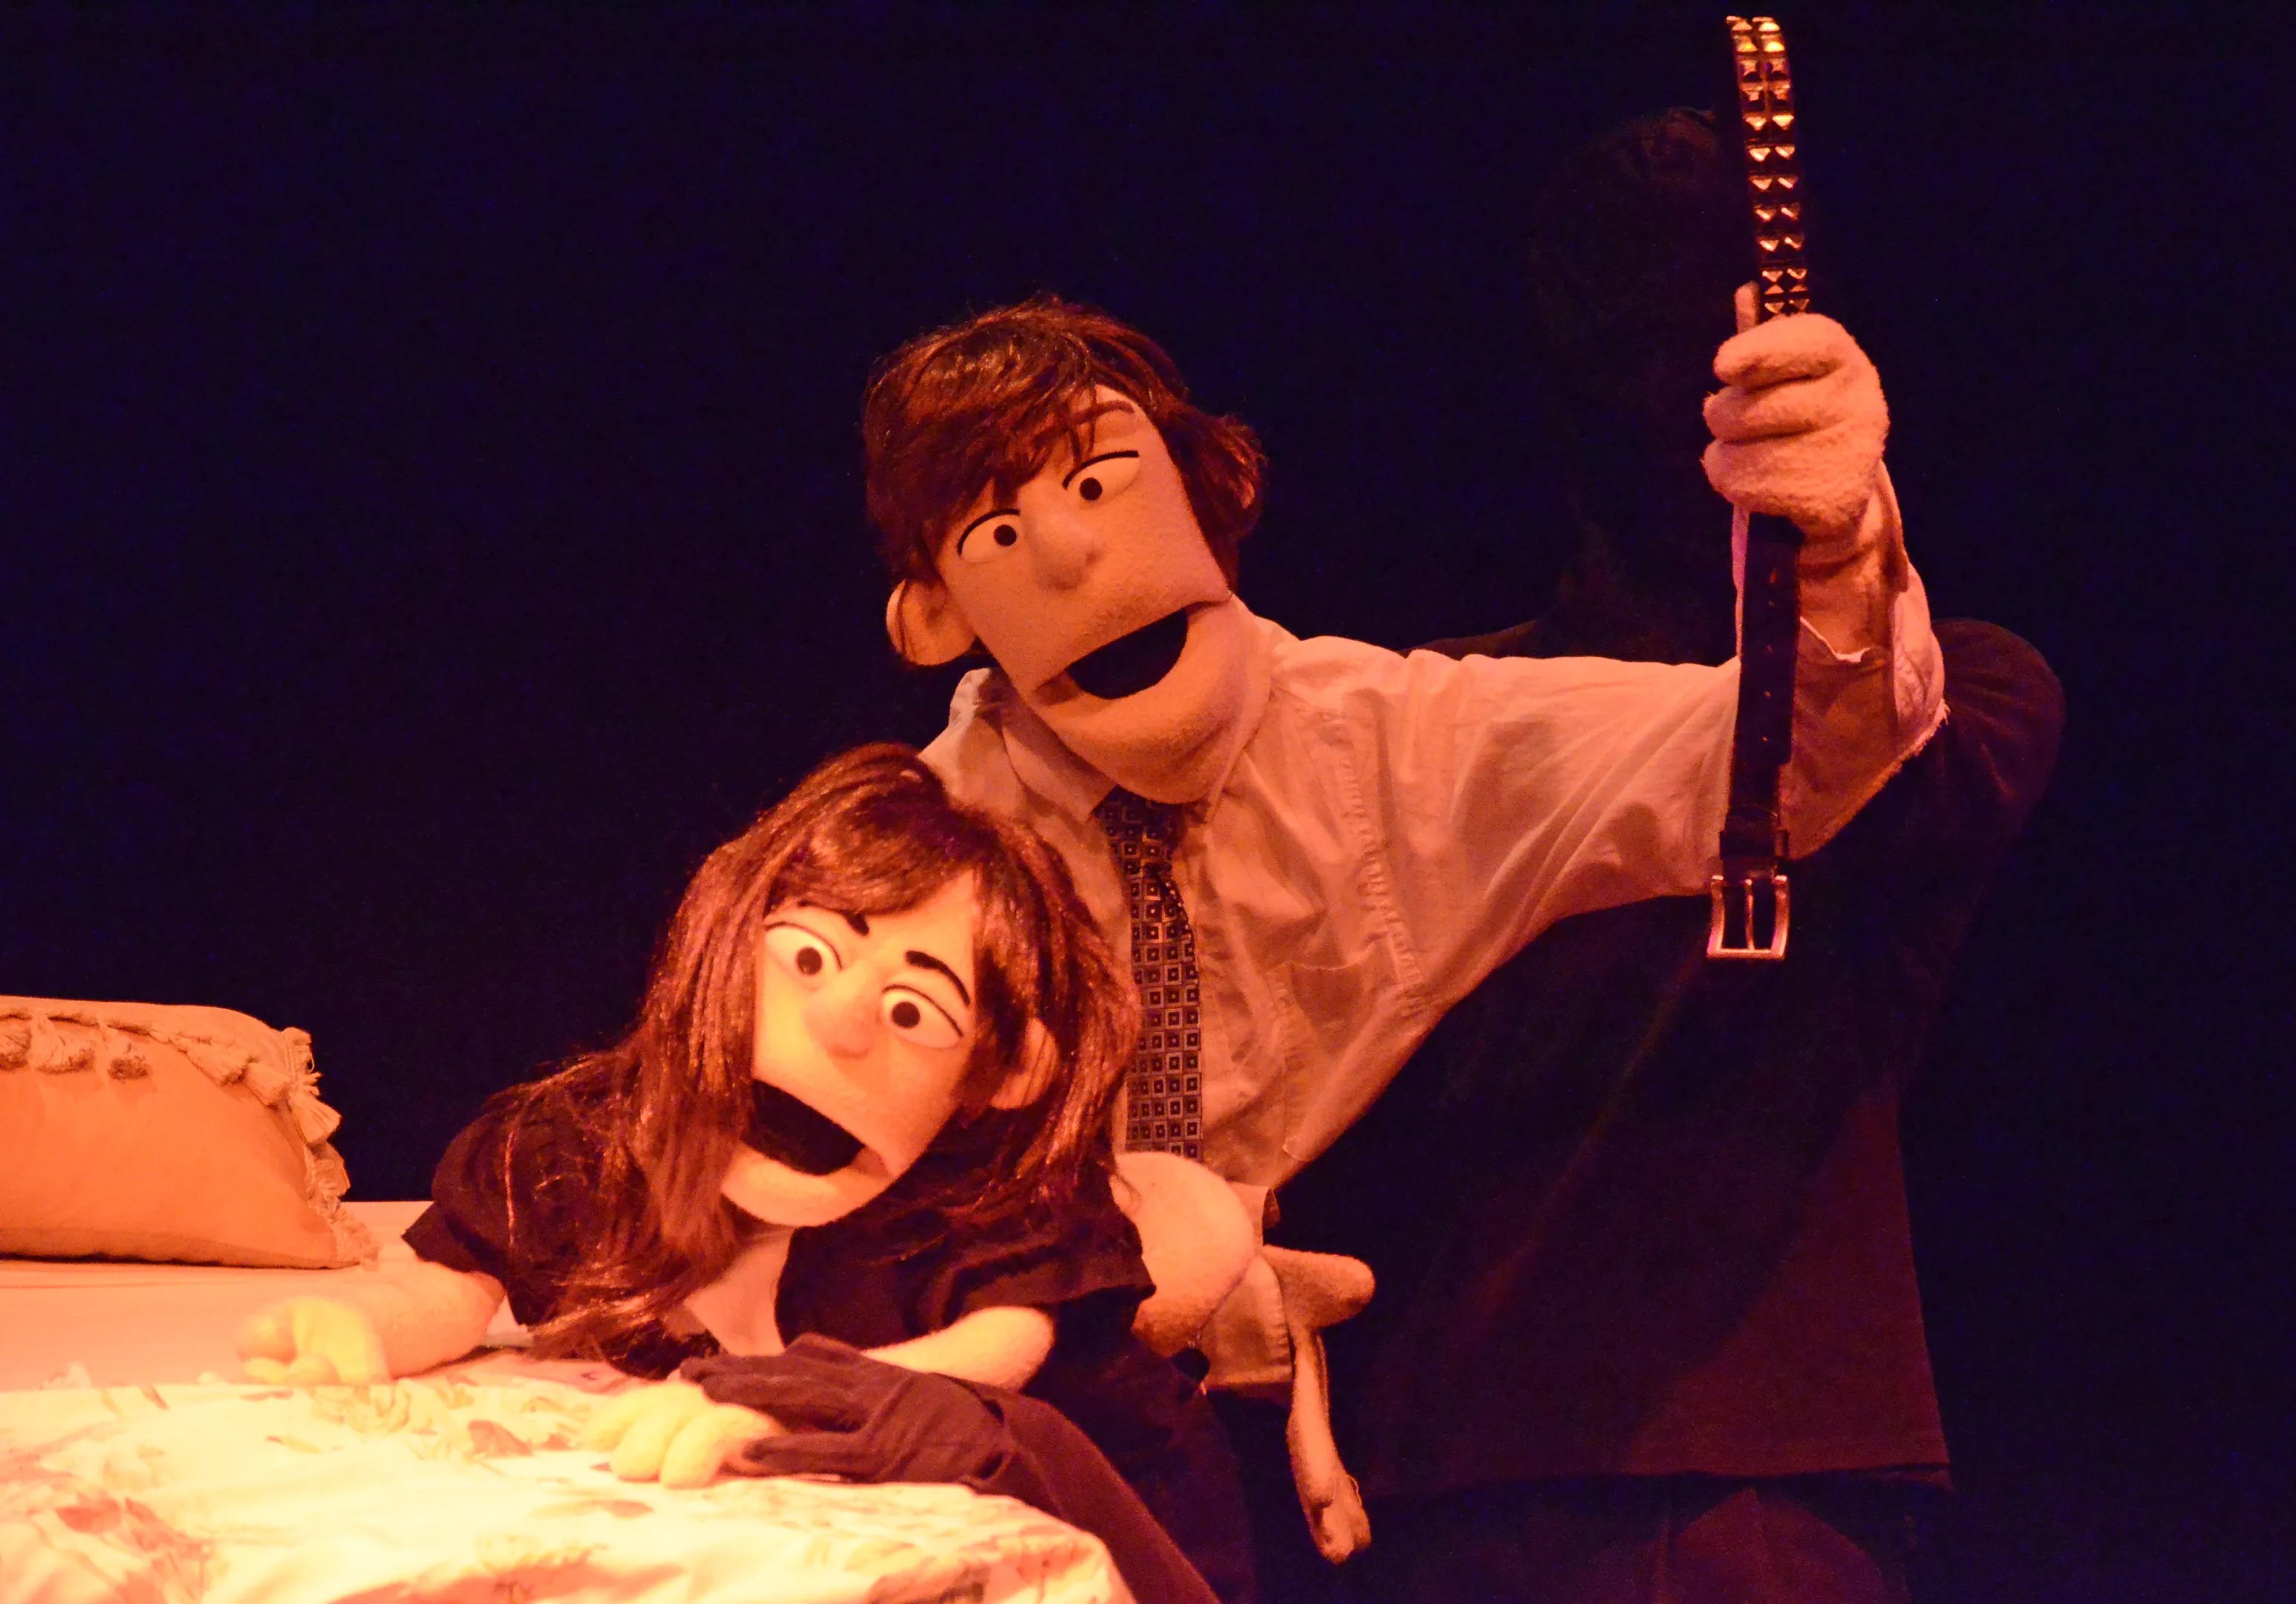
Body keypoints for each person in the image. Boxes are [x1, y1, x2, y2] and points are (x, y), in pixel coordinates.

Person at [866, 267, 1940, 1559]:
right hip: (997, 1429)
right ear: (933, 615)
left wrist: (1834, 555)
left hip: (1353, 1463)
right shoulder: (914, 847)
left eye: (1100, 485)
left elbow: (1773, 765)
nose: (1070, 555)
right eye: (997, 535)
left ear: (1211, 495)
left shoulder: (1387, 742)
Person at [1271, 109, 2067, 1603]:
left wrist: (1842, 549)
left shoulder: (1968, 690)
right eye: (1617, 344)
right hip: (1428, 1478)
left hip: (1746, 1473)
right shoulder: (1433, 714)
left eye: (1699, 340)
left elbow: (1861, 739)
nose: (1662, 395)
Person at [236, 744, 1250, 1604]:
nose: (840, 1023)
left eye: (913, 1010)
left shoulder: (991, 1196)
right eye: (807, 958)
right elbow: (462, 1277)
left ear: (998, 1072)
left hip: (1108, 1520)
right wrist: (374, 1325)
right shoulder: (595, 1145)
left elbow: (999, 1355)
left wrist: (798, 1403)